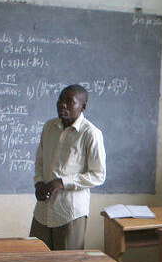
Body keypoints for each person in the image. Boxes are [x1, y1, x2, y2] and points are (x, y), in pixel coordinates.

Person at [30, 84, 106, 250]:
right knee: (36, 261)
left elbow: (98, 174)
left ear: (83, 107)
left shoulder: (91, 134)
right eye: (60, 100)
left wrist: (62, 182)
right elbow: (40, 160)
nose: (62, 104)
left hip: (70, 213)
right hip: (43, 210)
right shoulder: (49, 127)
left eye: (69, 101)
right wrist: (38, 183)